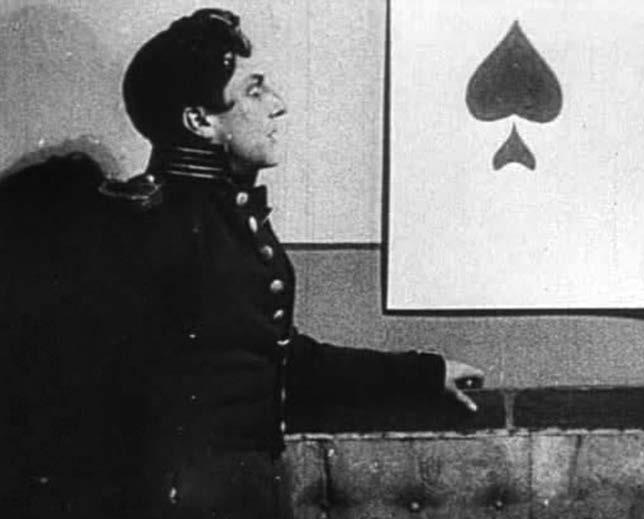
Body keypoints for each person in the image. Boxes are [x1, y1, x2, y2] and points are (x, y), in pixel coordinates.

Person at [0, 8, 483, 518]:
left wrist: (424, 374)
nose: (278, 105)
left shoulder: (219, 220)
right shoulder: (156, 231)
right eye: (255, 91)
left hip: (238, 494)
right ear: (200, 121)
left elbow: (271, 361)